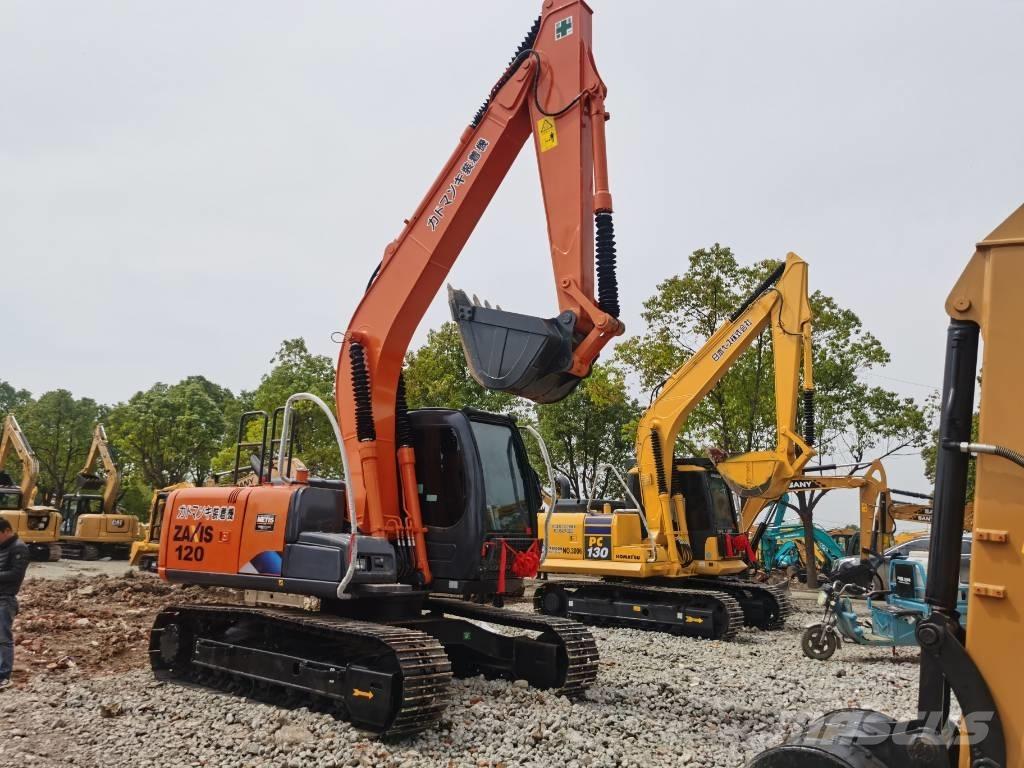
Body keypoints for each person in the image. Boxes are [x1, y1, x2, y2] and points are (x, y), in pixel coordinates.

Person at [0, 517, 29, 689]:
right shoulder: (2, 546)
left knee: (3, 639)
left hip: (5, 599)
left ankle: (4, 675)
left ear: (6, 531)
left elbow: (15, 575)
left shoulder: (19, 548)